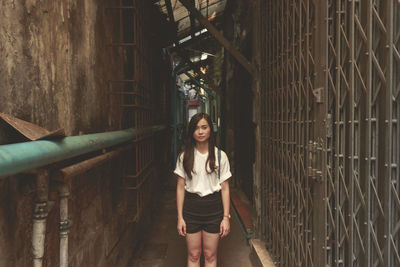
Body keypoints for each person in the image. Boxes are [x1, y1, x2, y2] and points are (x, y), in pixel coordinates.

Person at [174, 112, 232, 267]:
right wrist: (180, 217)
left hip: (214, 209)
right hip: (191, 209)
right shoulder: (184, 156)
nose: (200, 132)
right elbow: (180, 187)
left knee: (210, 255)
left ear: (210, 130)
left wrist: (226, 217)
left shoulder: (221, 156)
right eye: (196, 128)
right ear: (191, 132)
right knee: (193, 255)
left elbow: (225, 188)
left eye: (204, 127)